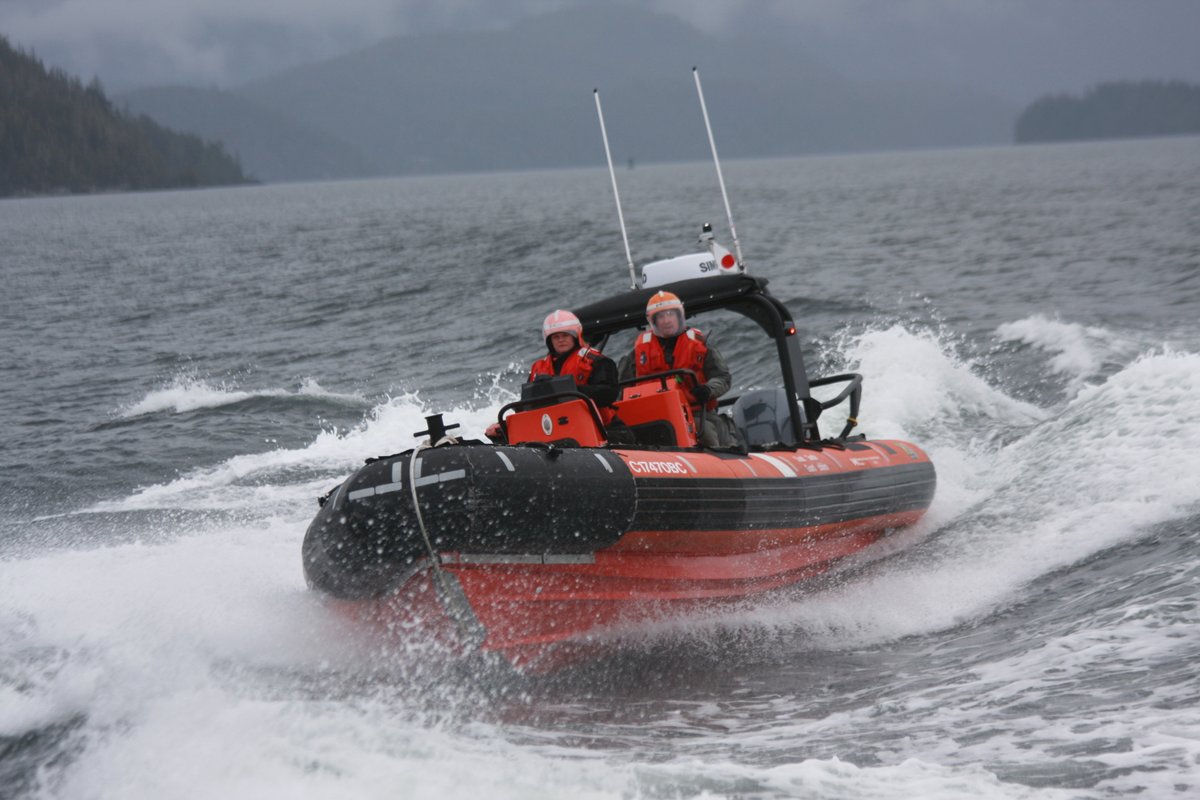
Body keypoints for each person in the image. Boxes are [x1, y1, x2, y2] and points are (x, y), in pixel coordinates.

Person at [618, 290, 732, 447]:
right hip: (653, 416)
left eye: (671, 314)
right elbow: (621, 388)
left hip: (697, 412)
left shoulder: (700, 345)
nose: (666, 320)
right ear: (653, 321)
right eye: (661, 316)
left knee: (706, 433)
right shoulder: (637, 353)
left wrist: (707, 390)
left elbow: (723, 378)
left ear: (680, 315)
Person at [487, 310, 624, 440]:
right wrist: (505, 426)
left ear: (575, 336)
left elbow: (609, 394)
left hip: (601, 427)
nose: (561, 340)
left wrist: (570, 391)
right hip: (555, 429)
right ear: (549, 341)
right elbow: (528, 406)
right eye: (556, 337)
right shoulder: (538, 368)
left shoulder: (596, 361)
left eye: (565, 335)